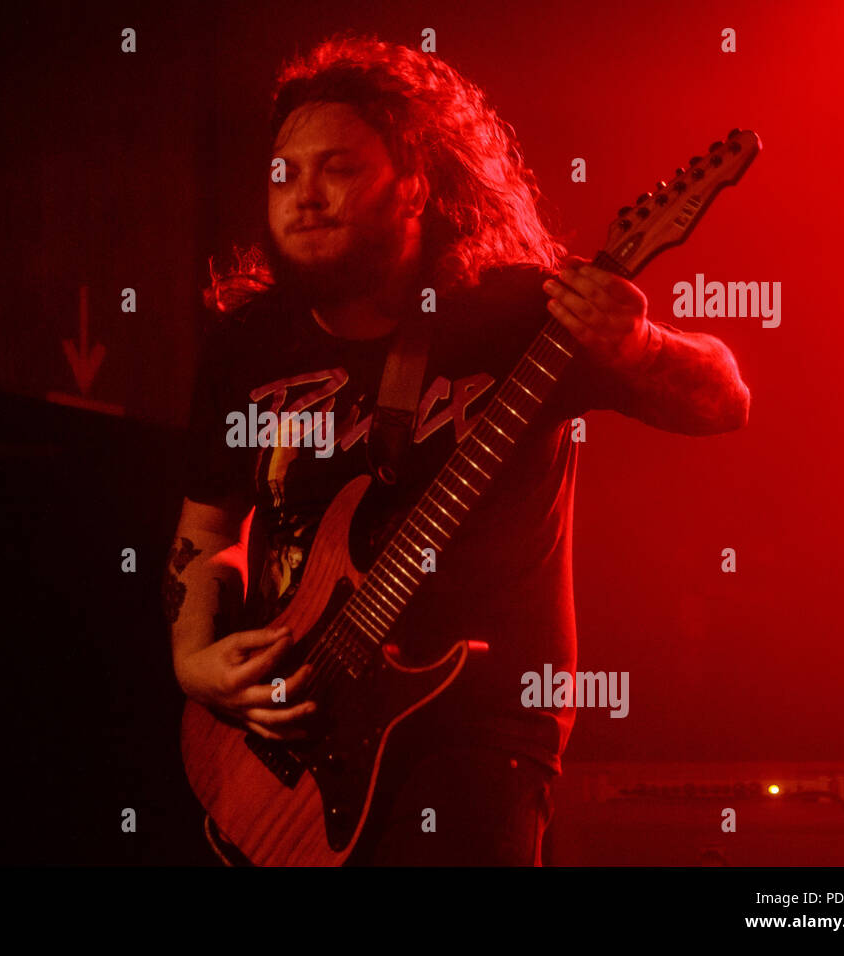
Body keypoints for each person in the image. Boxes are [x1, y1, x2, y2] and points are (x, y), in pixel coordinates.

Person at [164, 34, 750, 865]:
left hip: (476, 734)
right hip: (290, 726)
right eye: (284, 174)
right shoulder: (248, 347)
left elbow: (726, 399)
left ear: (416, 185)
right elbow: (209, 521)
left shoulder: (518, 314)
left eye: (339, 168)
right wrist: (194, 660)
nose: (303, 197)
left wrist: (642, 344)